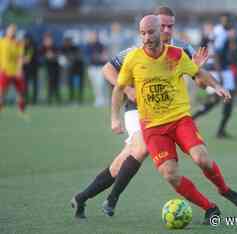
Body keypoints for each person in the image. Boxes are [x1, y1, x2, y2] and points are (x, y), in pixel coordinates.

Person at [71, 6, 210, 219]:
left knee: (121, 162)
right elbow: (107, 68)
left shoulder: (183, 49)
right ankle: (112, 200)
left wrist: (201, 72)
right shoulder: (137, 50)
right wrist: (127, 89)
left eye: (169, 26)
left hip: (166, 113)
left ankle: (82, 197)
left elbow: (199, 81)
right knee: (142, 146)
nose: (165, 29)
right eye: (161, 25)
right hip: (137, 110)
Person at [111, 15, 237, 224]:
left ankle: (224, 189)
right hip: (153, 128)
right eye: (143, 33)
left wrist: (217, 86)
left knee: (201, 158)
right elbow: (118, 88)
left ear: (160, 32)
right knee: (170, 175)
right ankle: (210, 208)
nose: (147, 37)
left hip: (179, 119)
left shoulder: (176, 54)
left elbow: (199, 72)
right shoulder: (132, 59)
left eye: (151, 32)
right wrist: (115, 118)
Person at [0, 24, 26, 113]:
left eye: (14, 31)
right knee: (2, 92)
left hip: (16, 71)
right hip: (5, 70)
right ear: (6, 31)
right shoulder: (2, 42)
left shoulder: (19, 43)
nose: (12, 32)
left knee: (21, 92)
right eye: (10, 30)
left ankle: (22, 111)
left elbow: (20, 57)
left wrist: (19, 69)